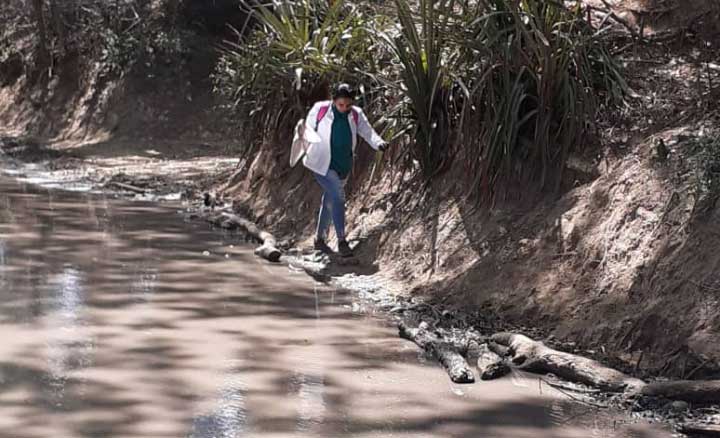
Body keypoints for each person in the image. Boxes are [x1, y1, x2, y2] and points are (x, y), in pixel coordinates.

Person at [302, 83, 387, 257]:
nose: (344, 108)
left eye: (348, 105)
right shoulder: (320, 109)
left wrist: (379, 143)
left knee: (329, 200)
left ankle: (319, 239)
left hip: (344, 164)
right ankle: (342, 241)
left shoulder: (356, 114)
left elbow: (367, 131)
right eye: (341, 105)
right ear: (334, 101)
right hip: (321, 164)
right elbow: (308, 128)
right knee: (338, 197)